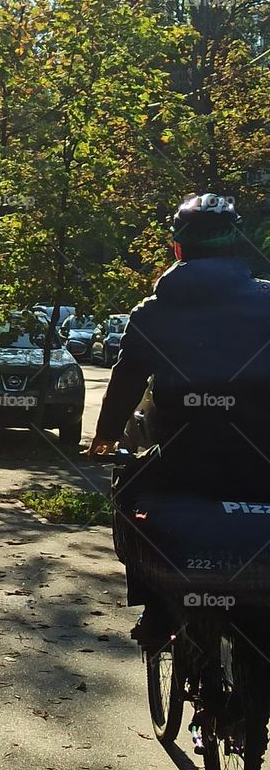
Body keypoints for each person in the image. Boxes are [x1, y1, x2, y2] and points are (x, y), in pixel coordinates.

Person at [88, 194, 270, 645]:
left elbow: (127, 378)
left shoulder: (156, 310)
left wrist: (107, 437)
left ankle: (157, 610)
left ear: (178, 249)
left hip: (187, 459)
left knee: (130, 492)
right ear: (236, 246)